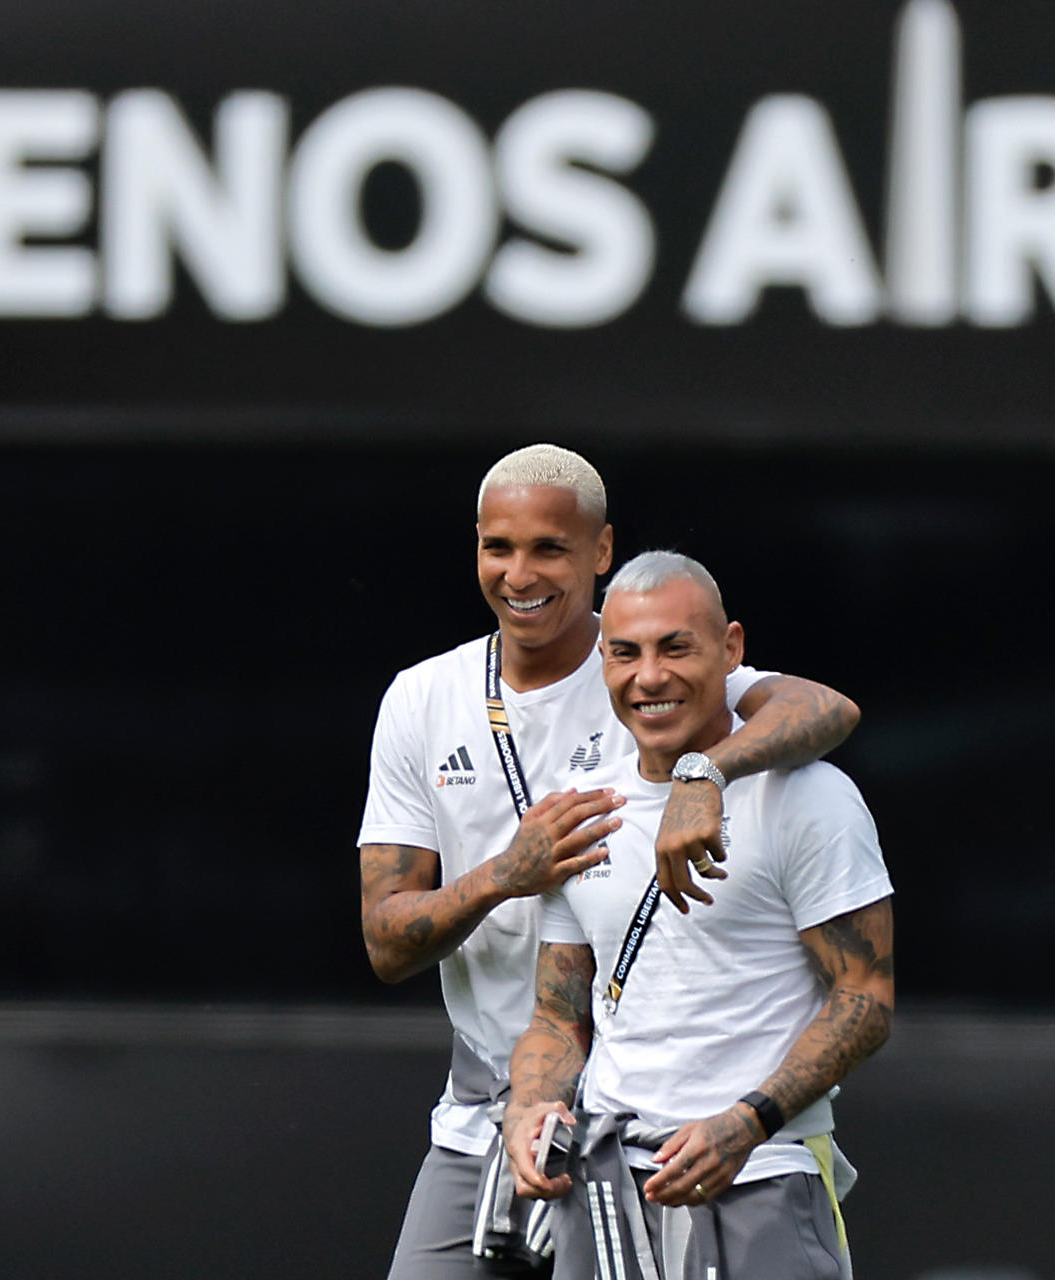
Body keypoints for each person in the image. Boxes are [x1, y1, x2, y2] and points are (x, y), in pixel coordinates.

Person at [359, 446, 861, 1279]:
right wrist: (502, 876)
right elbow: (385, 943)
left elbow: (827, 708)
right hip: (502, 1097)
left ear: (600, 552)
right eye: (499, 548)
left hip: (653, 1111)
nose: (521, 574)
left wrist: (708, 770)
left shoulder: (645, 659)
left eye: (550, 549)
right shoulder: (424, 698)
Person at [503, 550, 893, 1280]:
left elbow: (865, 1001)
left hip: (760, 1176)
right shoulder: (583, 804)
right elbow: (558, 1016)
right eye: (625, 653)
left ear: (732, 649)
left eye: (676, 647)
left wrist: (746, 1123)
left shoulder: (808, 794)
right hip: (607, 1186)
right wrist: (530, 1108)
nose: (649, 676)